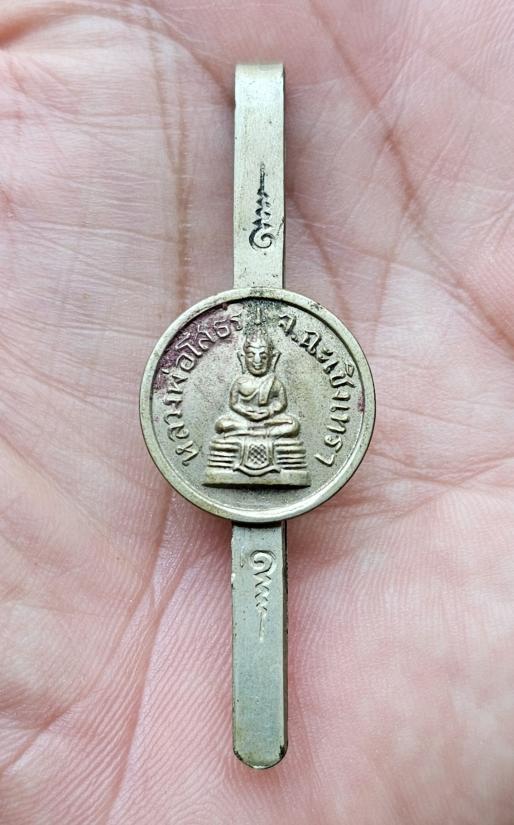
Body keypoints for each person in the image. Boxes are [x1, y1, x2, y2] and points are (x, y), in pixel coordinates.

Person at [1, 2, 513, 823]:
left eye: (266, 359)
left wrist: (268, 417)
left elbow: (277, 414)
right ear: (244, 356)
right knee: (246, 428)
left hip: (273, 445)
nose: (260, 367)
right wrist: (247, 418)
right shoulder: (241, 379)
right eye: (254, 359)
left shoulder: (273, 378)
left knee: (273, 428)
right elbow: (239, 411)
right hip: (242, 444)